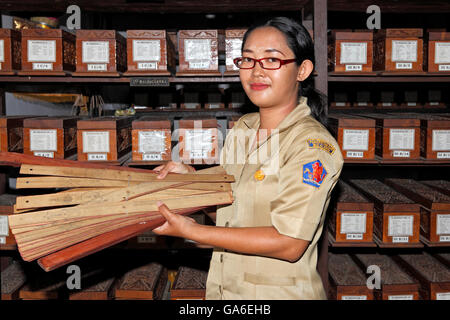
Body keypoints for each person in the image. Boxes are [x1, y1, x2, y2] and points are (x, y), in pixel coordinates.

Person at [153, 16, 343, 300]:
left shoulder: (312, 147)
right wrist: (193, 185)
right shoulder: (244, 129)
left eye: (272, 60)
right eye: (248, 60)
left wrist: (194, 232)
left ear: (302, 70)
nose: (256, 72)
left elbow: (289, 242)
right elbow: (232, 214)